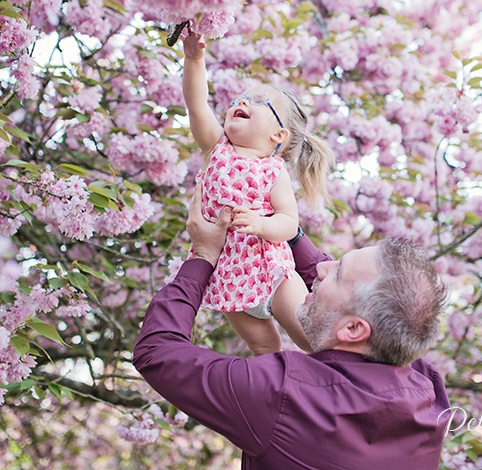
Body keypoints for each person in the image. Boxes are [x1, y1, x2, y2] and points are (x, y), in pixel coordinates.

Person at [132, 184, 452, 469]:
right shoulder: (426, 388)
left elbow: (158, 353)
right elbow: (347, 304)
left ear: (354, 331)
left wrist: (202, 256)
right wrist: (290, 233)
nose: (323, 266)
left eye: (337, 273)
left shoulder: (283, 394)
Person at [182, 31, 334, 355]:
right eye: (238, 99)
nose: (242, 102)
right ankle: (281, 395)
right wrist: (194, 60)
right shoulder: (216, 148)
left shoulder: (273, 170)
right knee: (265, 347)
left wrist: (263, 226)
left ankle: (339, 376)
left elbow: (289, 222)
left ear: (278, 134)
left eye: (259, 102)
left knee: (311, 338)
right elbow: (196, 104)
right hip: (228, 277)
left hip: (273, 272)